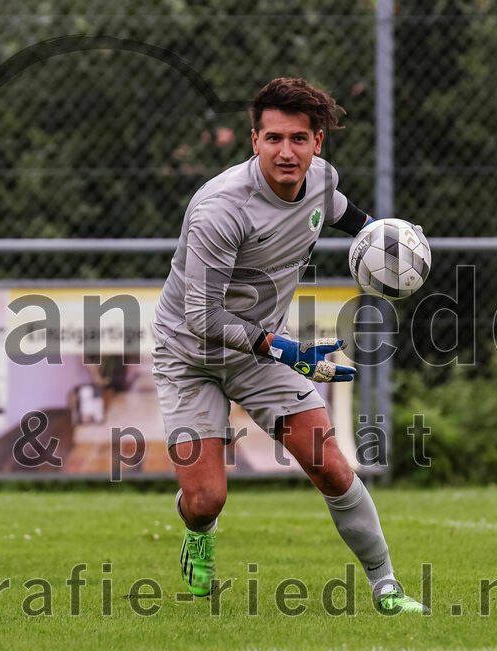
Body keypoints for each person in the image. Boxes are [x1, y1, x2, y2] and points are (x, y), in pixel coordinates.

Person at [152, 77, 426, 612]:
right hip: (190, 353)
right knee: (207, 499)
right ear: (253, 141)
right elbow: (202, 316)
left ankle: (386, 586)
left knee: (330, 466)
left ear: (317, 143)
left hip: (262, 353)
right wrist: (285, 350)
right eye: (273, 138)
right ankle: (196, 531)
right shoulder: (220, 210)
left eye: (299, 139)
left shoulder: (321, 180)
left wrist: (388, 241)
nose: (286, 151)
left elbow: (344, 213)